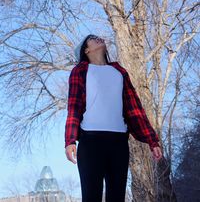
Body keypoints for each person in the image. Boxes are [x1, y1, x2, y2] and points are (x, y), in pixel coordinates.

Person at [65, 34, 162, 202]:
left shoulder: (119, 72)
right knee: (91, 197)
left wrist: (152, 140)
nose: (99, 38)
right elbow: (74, 107)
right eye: (93, 38)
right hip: (90, 142)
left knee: (117, 197)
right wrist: (70, 140)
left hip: (118, 143)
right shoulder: (80, 71)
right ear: (86, 49)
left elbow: (134, 109)